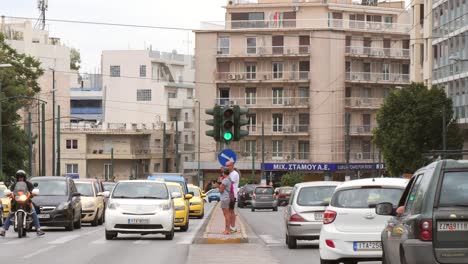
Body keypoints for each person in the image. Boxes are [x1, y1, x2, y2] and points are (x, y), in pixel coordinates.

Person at [0, 170, 45, 237]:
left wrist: (33, 193)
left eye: (22, 177)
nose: (20, 178)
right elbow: (10, 191)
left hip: (26, 201)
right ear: (17, 178)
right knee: (11, 213)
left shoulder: (28, 184)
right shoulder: (14, 185)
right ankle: (3, 230)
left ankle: (38, 229)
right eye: (19, 177)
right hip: (16, 201)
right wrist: (9, 194)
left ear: (24, 177)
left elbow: (32, 190)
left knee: (33, 212)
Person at [225, 160, 239, 233]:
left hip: (232, 195)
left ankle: (233, 227)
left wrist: (225, 176)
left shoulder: (234, 174)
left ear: (232, 166)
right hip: (228, 195)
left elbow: (230, 182)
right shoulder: (229, 174)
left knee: (231, 211)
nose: (227, 167)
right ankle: (230, 227)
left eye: (228, 166)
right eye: (226, 166)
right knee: (229, 211)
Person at [218, 168, 232, 235]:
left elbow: (221, 190)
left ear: (224, 173)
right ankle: (227, 229)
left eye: (222, 173)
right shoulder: (229, 179)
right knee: (227, 214)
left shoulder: (225, 180)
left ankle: (227, 230)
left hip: (224, 198)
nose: (222, 174)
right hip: (227, 198)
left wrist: (219, 186)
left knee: (226, 215)